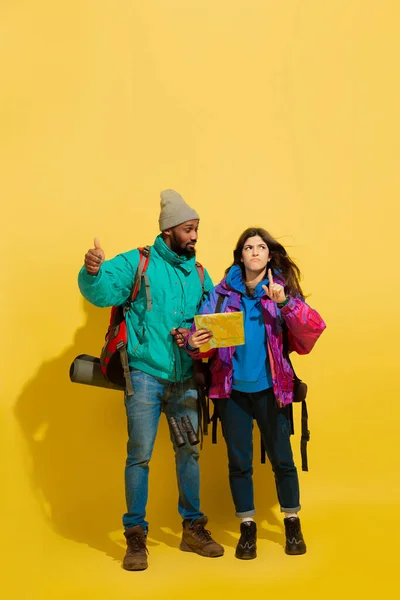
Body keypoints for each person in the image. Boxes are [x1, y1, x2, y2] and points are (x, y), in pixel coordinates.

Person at [78, 189, 224, 571]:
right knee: (139, 456)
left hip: (184, 379)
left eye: (196, 230)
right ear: (170, 230)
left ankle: (193, 528)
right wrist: (92, 272)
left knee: (188, 453)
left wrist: (193, 338)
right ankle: (136, 536)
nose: (194, 237)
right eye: (189, 230)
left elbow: (213, 325)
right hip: (144, 376)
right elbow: (103, 290)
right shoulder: (139, 262)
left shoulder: (201, 274)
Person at [186, 227, 326, 559]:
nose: (254, 252)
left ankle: (292, 520)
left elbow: (313, 329)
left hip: (272, 391)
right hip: (231, 391)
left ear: (268, 255)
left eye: (260, 246)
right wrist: (194, 343)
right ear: (241, 256)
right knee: (239, 462)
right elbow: (201, 339)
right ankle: (247, 526)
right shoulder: (221, 294)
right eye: (248, 247)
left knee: (283, 460)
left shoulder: (280, 292)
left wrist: (286, 303)